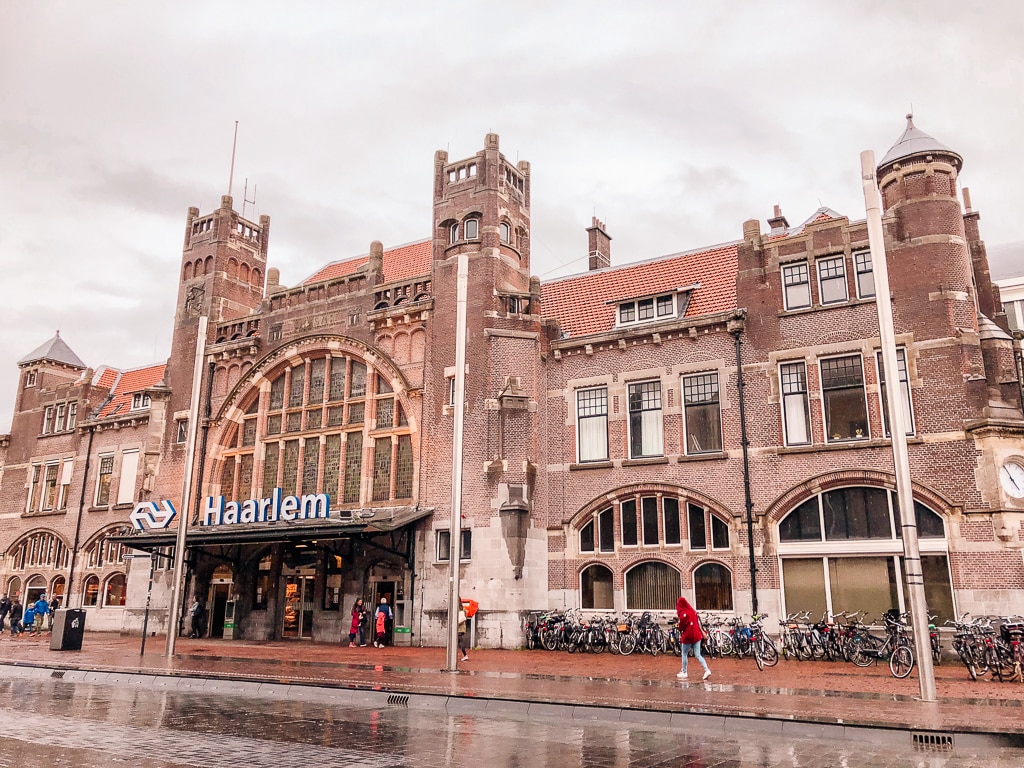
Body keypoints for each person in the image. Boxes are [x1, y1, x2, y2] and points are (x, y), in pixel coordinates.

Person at [676, 596, 711, 681]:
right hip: (697, 636)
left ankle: (684, 672)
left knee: (684, 653)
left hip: (688, 636)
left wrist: (679, 627)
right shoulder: (693, 611)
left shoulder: (684, 613)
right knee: (698, 654)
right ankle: (707, 670)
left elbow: (682, 626)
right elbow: (697, 622)